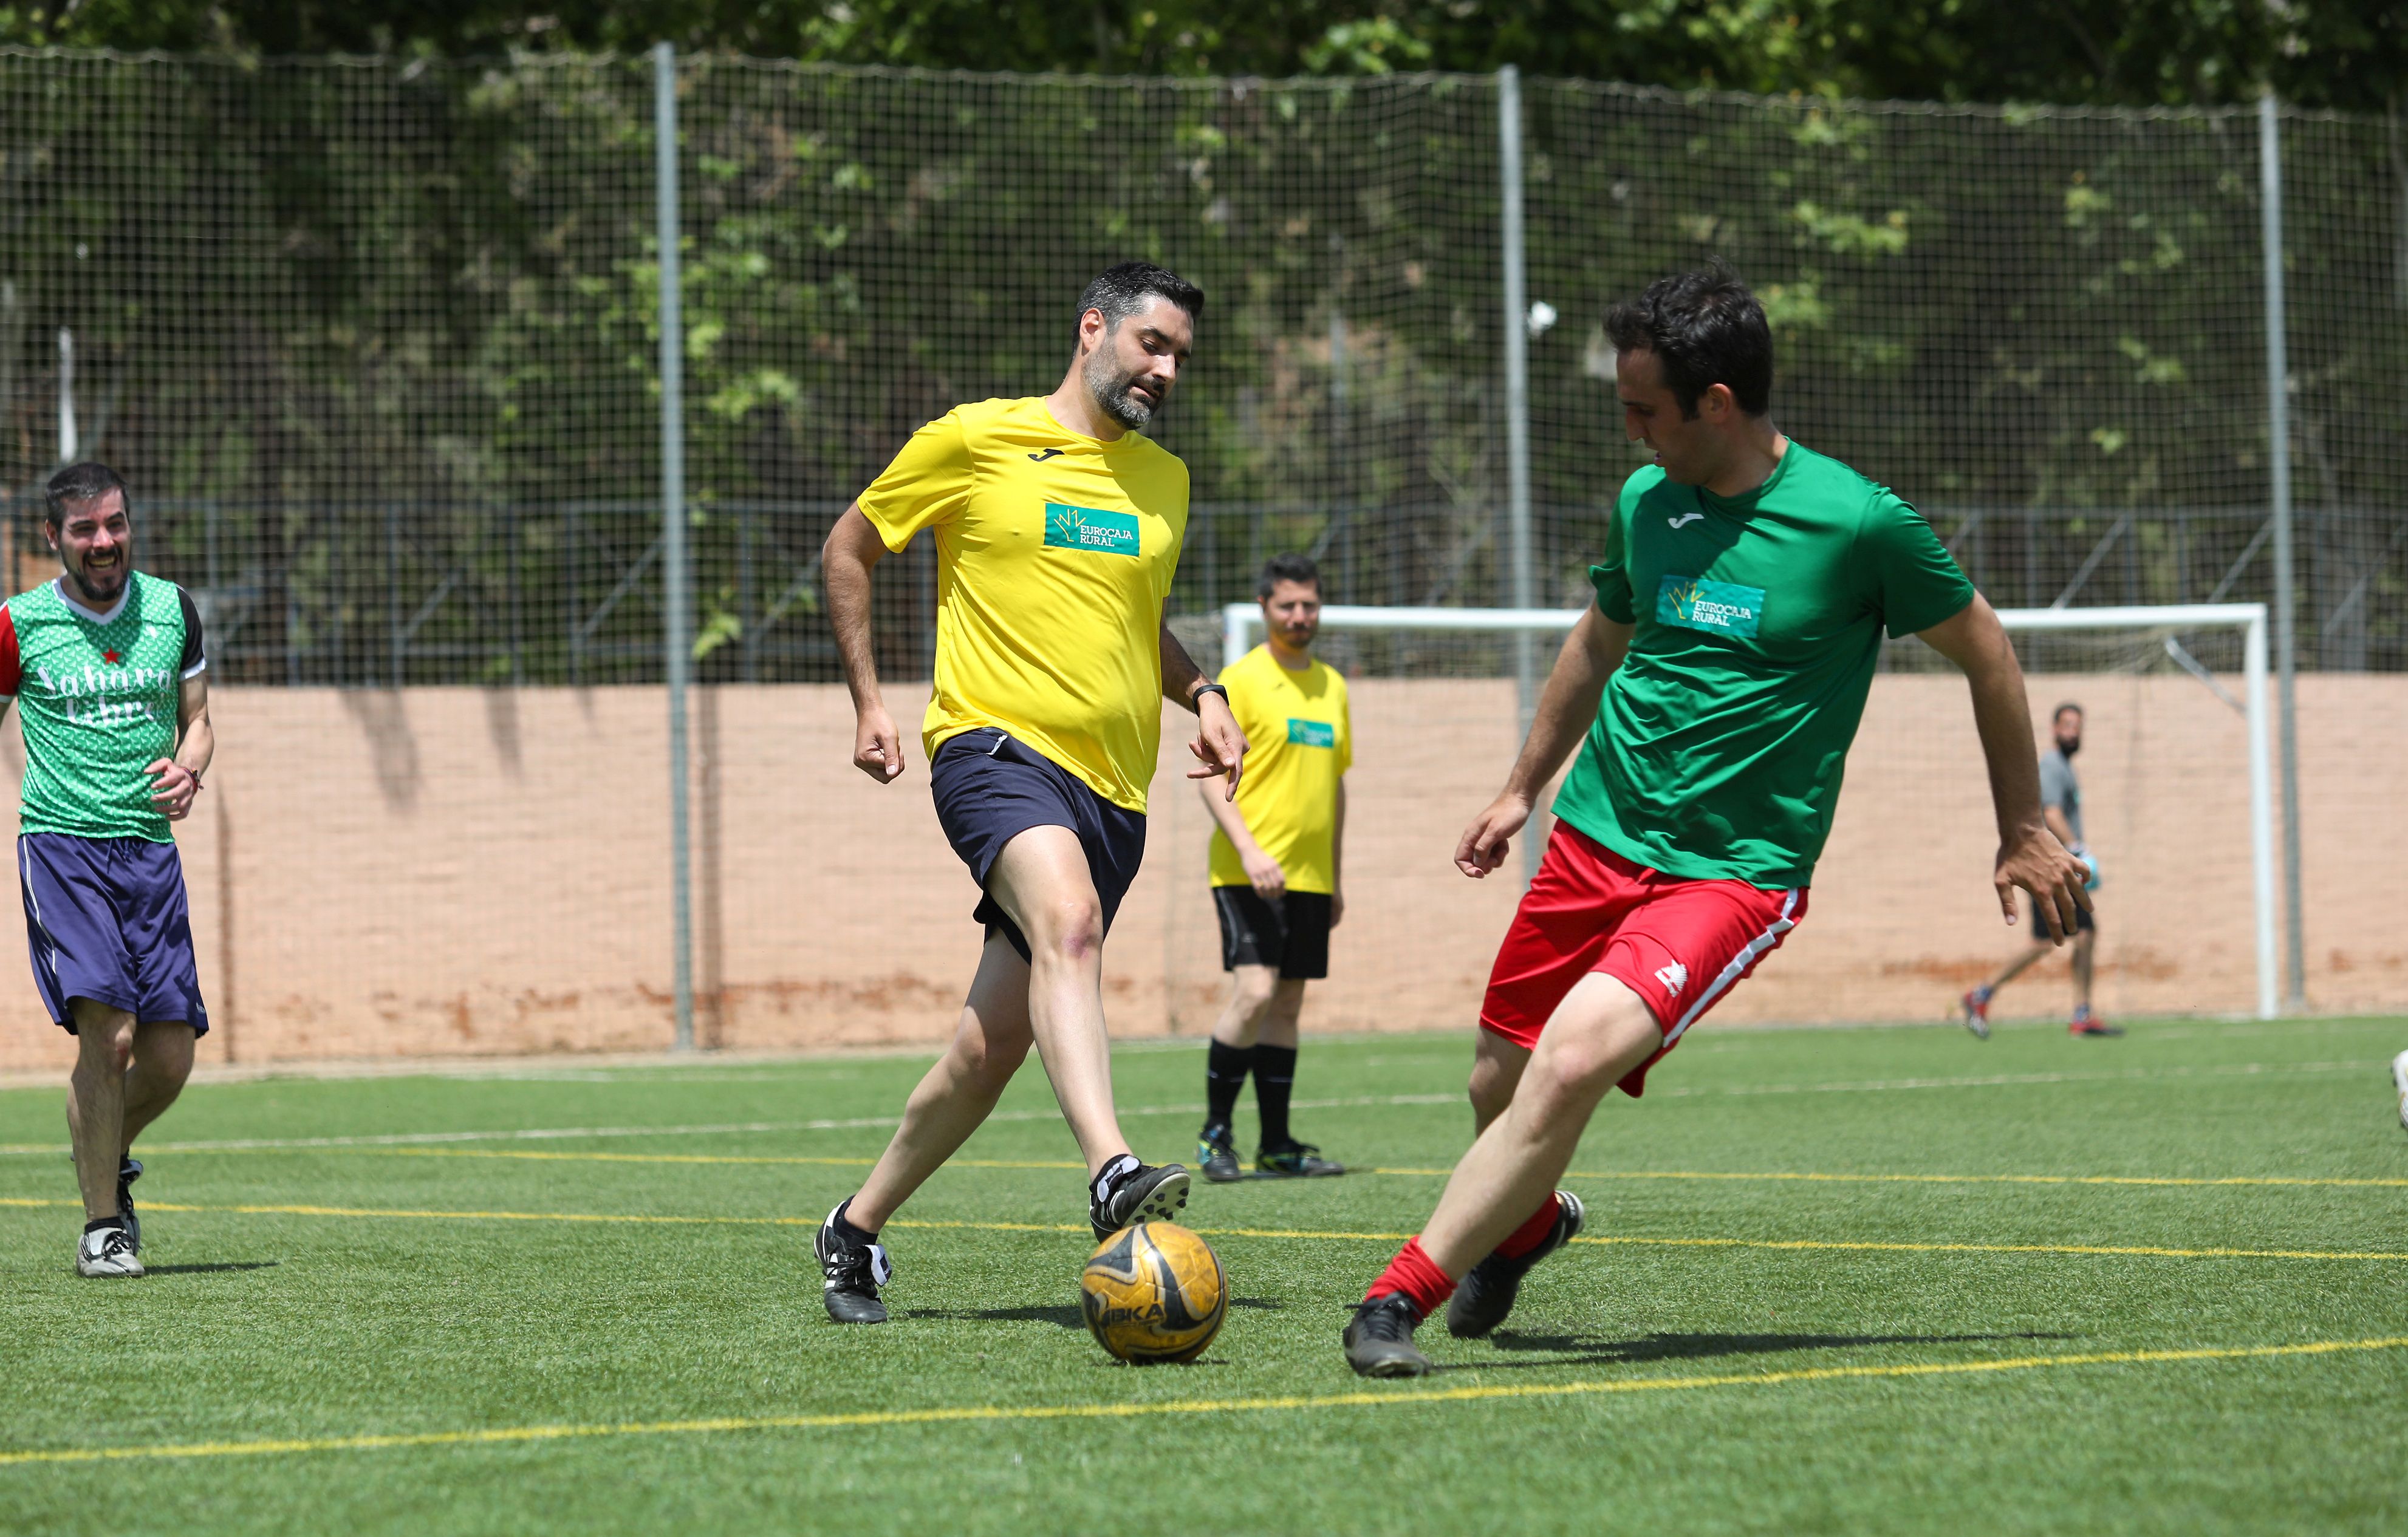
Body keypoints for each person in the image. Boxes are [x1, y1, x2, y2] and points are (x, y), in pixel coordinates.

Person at [1340, 262, 2091, 1377]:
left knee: (1565, 1066)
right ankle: (1528, 1224)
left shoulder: (1854, 523)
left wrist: (2017, 819)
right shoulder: (1647, 502)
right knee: (1493, 1083)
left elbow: (1984, 648)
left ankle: (1392, 1299)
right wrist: (1520, 788)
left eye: (1643, 410)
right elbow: (1599, 639)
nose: (1630, 431)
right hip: (1594, 836)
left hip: (1730, 874)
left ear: (1718, 405)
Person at [812, 262, 1248, 1324]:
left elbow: (1130, 621)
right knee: (1070, 924)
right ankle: (1110, 1171)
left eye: (1181, 355)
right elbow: (850, 547)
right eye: (1151, 344)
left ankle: (854, 1229)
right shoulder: (973, 439)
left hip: (1115, 793)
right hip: (991, 751)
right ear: (1091, 328)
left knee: (985, 1046)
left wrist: (1203, 690)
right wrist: (869, 702)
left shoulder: (1163, 483)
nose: (1165, 369)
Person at [3, 463, 214, 1279]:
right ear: (52, 537)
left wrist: (190, 770)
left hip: (151, 852)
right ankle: (102, 1226)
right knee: (113, 1035)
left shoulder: (173, 609)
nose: (104, 541)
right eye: (85, 529)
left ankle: (102, 1148)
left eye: (115, 523)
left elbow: (199, 722)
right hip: (62, 847)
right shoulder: (18, 624)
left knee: (169, 1058)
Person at [1194, 553, 1349, 1183]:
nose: (1299, 615)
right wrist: (1251, 849)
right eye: (1287, 604)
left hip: (1310, 876)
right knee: (1255, 991)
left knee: (1286, 1004)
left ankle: (1278, 1143)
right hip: (1245, 868)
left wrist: (1335, 875)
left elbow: (1336, 786)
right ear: (1265, 608)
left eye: (1309, 604)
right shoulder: (1241, 679)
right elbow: (1209, 778)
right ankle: (1215, 1136)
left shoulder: (1333, 686)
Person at [1962, 703, 2116, 1037]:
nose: (2073, 732)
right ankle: (1981, 994)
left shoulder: (2065, 767)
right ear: (2054, 729)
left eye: (2078, 727)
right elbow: (2051, 811)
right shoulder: (2052, 765)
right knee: (2045, 942)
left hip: (2059, 868)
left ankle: (2082, 1013)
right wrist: (2078, 848)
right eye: (2067, 726)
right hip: (2048, 866)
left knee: (2085, 934)